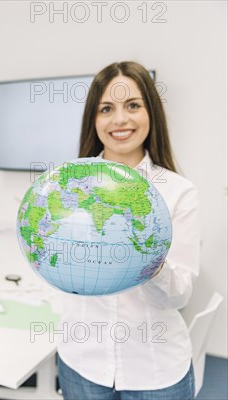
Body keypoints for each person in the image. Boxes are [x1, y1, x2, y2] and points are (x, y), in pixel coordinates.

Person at [57, 61, 200, 399]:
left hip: (154, 370)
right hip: (82, 362)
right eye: (106, 108)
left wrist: (145, 249)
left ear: (151, 113)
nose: (119, 120)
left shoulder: (177, 192)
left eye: (133, 106)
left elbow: (179, 295)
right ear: (94, 119)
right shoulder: (70, 188)